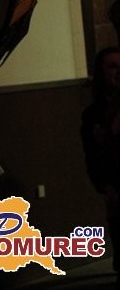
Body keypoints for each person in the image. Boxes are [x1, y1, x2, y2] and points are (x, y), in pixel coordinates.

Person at [80, 46, 120, 279]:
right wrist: (106, 186)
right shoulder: (93, 115)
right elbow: (93, 156)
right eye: (112, 66)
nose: (118, 72)